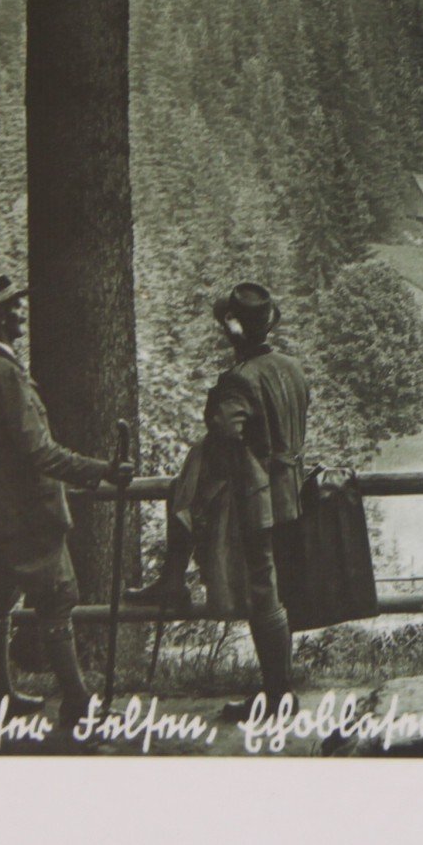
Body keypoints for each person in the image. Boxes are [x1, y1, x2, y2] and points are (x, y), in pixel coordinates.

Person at [0, 275, 132, 739]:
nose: (20, 314)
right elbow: (39, 452)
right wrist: (102, 470)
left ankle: (1, 698)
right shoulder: (7, 375)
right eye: (13, 309)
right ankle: (77, 704)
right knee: (57, 603)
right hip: (28, 512)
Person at [128, 282, 309, 721]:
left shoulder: (239, 379)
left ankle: (277, 696)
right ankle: (278, 691)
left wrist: (221, 469)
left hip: (256, 494)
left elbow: (226, 432)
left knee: (263, 591)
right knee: (270, 586)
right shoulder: (291, 366)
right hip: (289, 491)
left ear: (235, 331)